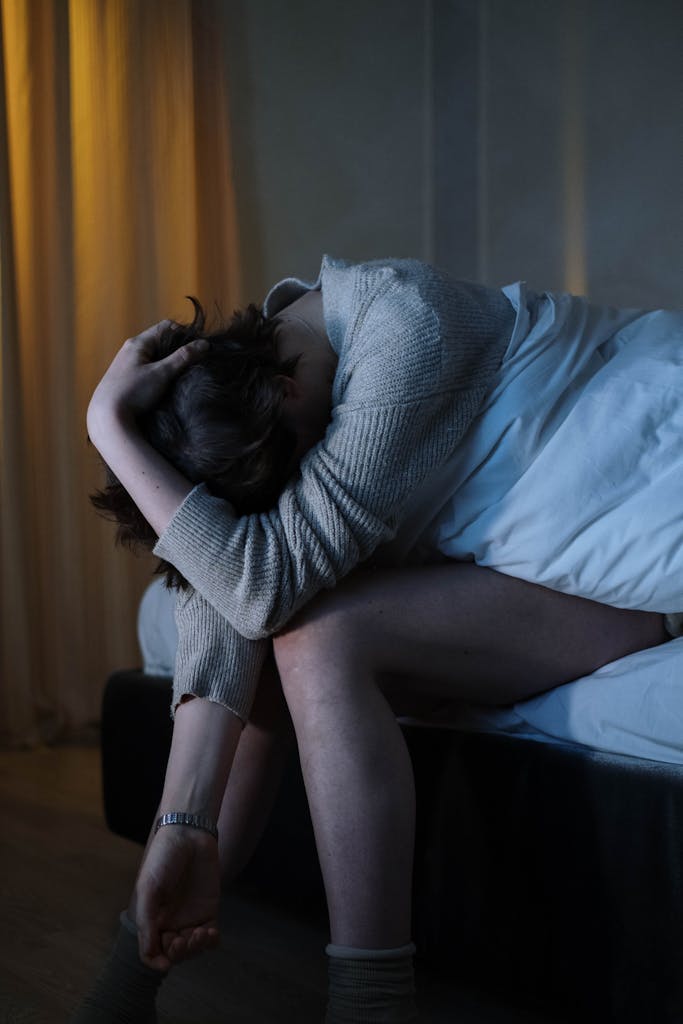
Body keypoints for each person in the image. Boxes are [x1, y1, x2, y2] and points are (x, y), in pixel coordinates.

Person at [73, 256, 681, 1023]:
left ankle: (369, 1007)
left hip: (600, 578)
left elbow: (257, 584)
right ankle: (134, 970)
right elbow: (224, 582)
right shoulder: (277, 373)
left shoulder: (407, 330)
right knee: (264, 636)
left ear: (287, 393)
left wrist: (106, 425)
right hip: (516, 580)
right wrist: (182, 823)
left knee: (315, 632)